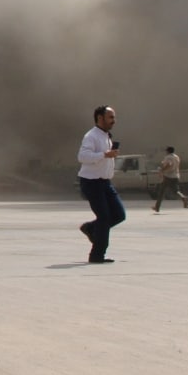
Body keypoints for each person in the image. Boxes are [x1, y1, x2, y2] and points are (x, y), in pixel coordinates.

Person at [77, 105, 127, 264]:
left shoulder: (106, 136)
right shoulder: (91, 136)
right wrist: (104, 154)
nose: (114, 121)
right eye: (110, 117)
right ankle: (97, 255)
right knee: (104, 218)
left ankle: (91, 228)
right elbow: (83, 156)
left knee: (119, 215)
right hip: (91, 182)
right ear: (100, 118)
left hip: (105, 182)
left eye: (114, 117)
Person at [153, 146, 188, 212]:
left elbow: (169, 164)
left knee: (161, 192)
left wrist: (162, 170)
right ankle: (183, 197)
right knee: (176, 190)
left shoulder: (168, 157)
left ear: (168, 151)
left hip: (168, 176)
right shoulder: (176, 157)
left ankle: (157, 207)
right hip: (176, 176)